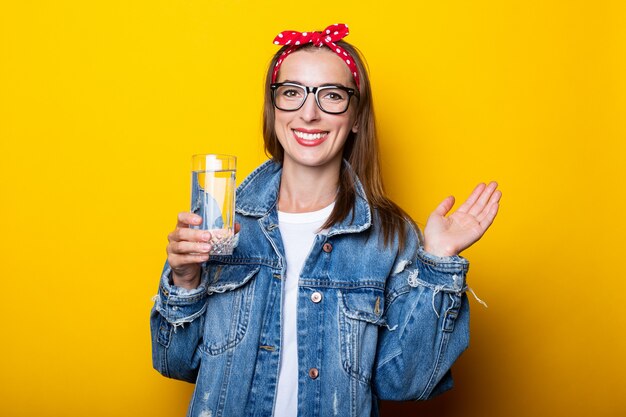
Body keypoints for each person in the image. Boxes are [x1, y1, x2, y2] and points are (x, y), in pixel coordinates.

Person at [151, 23, 501, 417]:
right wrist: (183, 281)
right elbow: (175, 362)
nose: (309, 113)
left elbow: (404, 383)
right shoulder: (217, 224)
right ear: (273, 107)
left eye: (331, 95)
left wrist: (438, 264)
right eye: (292, 93)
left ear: (355, 116)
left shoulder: (391, 237)